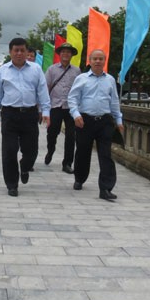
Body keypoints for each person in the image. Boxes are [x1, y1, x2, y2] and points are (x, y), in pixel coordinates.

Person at [0, 37, 51, 197]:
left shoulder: (36, 69)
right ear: (10, 52)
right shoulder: (2, 71)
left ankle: (25, 166)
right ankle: (12, 184)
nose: (19, 53)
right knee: (9, 151)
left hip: (30, 115)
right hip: (9, 114)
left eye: (22, 50)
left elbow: (42, 91)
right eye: (15, 50)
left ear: (27, 52)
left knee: (31, 150)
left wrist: (46, 112)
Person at [67, 49, 125, 201]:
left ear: (104, 61)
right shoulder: (81, 78)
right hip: (85, 120)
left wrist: (118, 120)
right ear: (90, 61)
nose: (98, 61)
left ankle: (105, 188)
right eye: (95, 59)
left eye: (101, 59)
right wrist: (76, 114)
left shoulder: (110, 80)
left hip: (105, 121)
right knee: (83, 152)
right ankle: (79, 178)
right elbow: (72, 98)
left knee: (106, 155)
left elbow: (114, 101)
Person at [44, 42, 81, 174]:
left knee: (71, 136)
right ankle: (50, 150)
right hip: (55, 106)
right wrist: (44, 108)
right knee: (52, 133)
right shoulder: (52, 70)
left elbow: (79, 90)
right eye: (63, 52)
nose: (66, 54)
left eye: (68, 52)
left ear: (71, 55)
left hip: (71, 108)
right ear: (59, 54)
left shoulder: (77, 71)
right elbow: (46, 88)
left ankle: (67, 163)